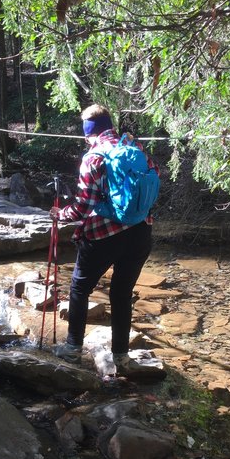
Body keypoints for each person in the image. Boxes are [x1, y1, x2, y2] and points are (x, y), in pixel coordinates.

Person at [50, 104, 159, 376]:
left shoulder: (92, 158)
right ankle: (121, 358)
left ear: (88, 133)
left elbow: (83, 207)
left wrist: (60, 214)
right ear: (110, 125)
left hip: (103, 235)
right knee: (121, 294)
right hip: (140, 232)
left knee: (79, 289)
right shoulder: (136, 149)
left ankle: (73, 349)